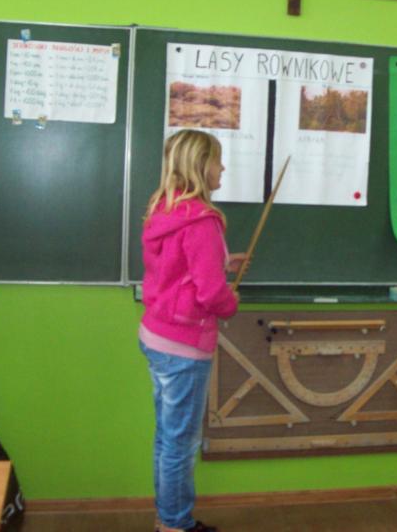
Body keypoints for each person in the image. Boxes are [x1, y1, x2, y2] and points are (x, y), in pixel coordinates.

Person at [140, 129, 246, 532]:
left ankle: (167, 517)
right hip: (183, 348)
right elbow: (211, 294)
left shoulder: (166, 210)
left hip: (157, 336)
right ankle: (175, 524)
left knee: (168, 438)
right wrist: (231, 302)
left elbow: (178, 268)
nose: (223, 168)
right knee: (181, 444)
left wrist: (223, 262)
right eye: (217, 160)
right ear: (201, 166)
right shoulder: (202, 221)